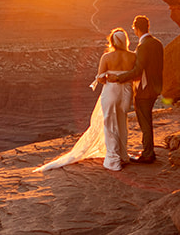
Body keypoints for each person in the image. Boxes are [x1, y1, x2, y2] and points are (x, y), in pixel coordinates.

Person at [38, 28, 137, 172]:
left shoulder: (107, 57)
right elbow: (135, 75)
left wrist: (110, 78)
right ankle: (123, 155)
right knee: (122, 122)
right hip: (127, 94)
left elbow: (101, 78)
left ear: (112, 42)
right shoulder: (133, 56)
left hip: (111, 91)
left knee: (109, 123)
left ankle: (113, 159)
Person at [102, 15, 163, 163]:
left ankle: (148, 154)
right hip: (156, 87)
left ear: (136, 29)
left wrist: (118, 78)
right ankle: (149, 151)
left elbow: (137, 71)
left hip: (144, 89)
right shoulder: (157, 43)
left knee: (145, 122)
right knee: (147, 120)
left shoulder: (143, 46)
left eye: (134, 29)